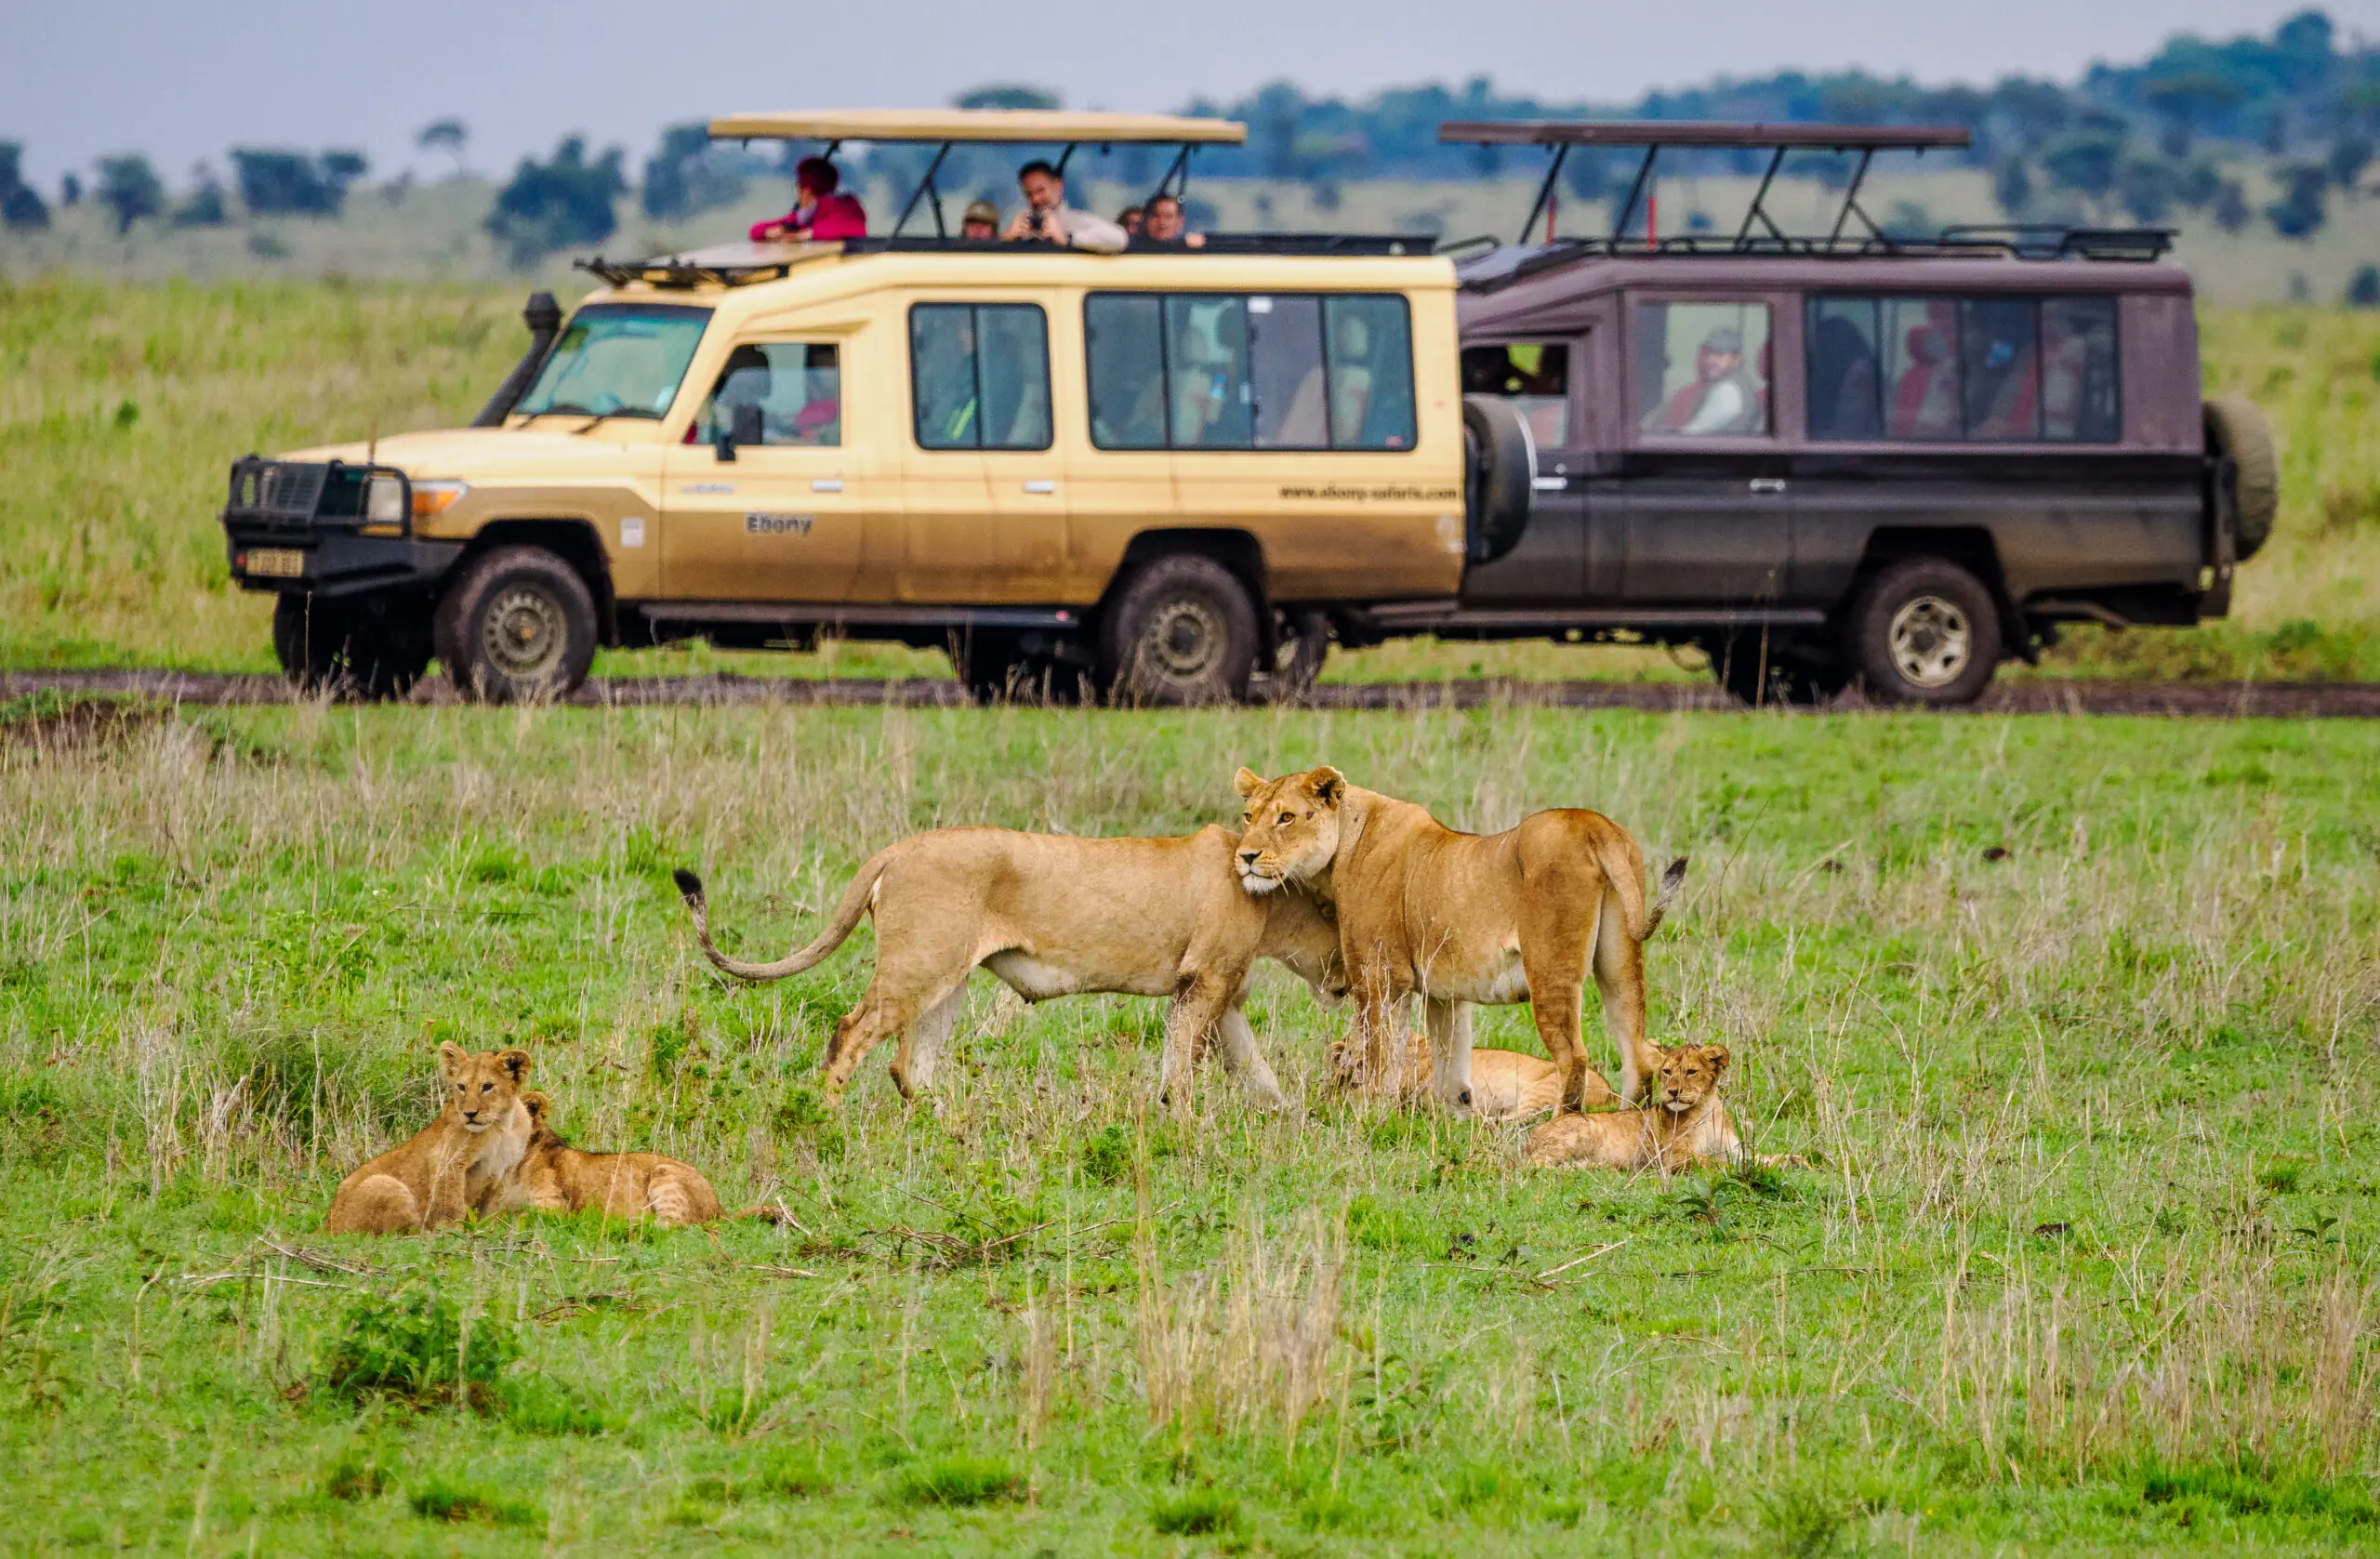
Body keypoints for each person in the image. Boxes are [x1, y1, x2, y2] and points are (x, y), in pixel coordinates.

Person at [1641, 325, 1762, 436]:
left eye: (1719, 355)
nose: (1710, 360)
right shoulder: (1713, 387)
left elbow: (1693, 434)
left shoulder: (1728, 390)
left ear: (1736, 359)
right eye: (1708, 353)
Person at [1001, 161, 1126, 252]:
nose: (1035, 199)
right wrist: (1004, 240)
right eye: (1029, 194)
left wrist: (1068, 238)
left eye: (1040, 191)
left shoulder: (1077, 222)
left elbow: (1119, 239)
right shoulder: (1020, 227)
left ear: (1058, 186)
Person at [750, 156, 867, 243]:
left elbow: (854, 228)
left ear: (806, 192)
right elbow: (757, 230)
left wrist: (804, 235)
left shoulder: (847, 206)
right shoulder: (804, 216)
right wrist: (771, 232)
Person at [1139, 193, 1207, 248]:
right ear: (1145, 219)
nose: (1162, 223)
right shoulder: (1131, 250)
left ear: (1179, 222)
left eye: (1169, 217)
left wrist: (1200, 246)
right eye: (1156, 216)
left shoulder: (1189, 252)